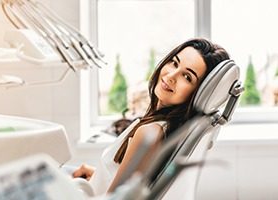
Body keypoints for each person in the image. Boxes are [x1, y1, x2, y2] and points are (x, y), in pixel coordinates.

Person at [72, 38, 230, 195]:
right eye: (174, 63)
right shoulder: (165, 128)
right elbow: (130, 186)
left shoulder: (151, 132)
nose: (171, 76)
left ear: (197, 94)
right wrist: (97, 175)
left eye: (187, 77)